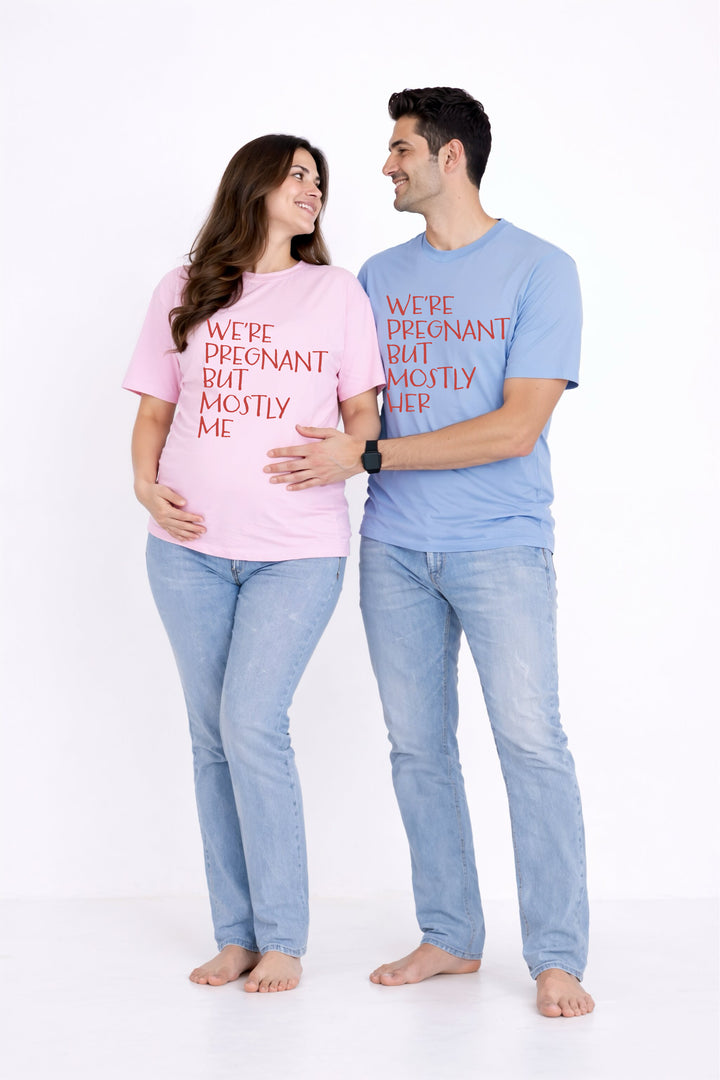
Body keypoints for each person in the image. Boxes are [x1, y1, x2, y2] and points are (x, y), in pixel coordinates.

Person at [264, 89, 595, 1018]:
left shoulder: (542, 269)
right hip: (395, 549)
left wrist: (368, 457)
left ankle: (557, 955)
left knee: (530, 743)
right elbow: (341, 393)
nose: (385, 165)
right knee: (418, 749)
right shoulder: (377, 275)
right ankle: (450, 934)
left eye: (401, 149)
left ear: (451, 157)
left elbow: (516, 428)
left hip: (501, 545)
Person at [124, 134, 383, 994]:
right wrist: (144, 487)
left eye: (319, 180)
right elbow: (154, 415)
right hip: (186, 553)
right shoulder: (185, 287)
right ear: (254, 183)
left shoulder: (336, 292)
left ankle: (283, 938)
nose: (313, 189)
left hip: (296, 551)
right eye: (297, 174)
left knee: (252, 723)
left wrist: (347, 454)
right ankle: (234, 935)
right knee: (211, 738)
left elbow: (363, 415)